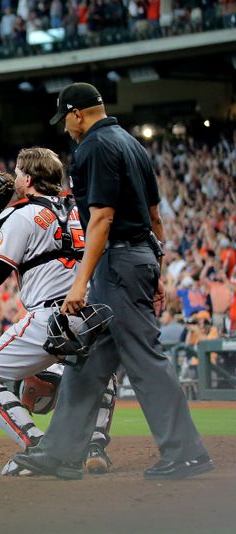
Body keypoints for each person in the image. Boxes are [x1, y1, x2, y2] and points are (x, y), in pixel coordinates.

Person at [15, 82, 211, 480]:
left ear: (76, 113)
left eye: (65, 119)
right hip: (135, 257)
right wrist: (155, 265)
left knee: (144, 358)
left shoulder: (95, 147)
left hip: (117, 262)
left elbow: (102, 217)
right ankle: (60, 452)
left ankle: (186, 451)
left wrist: (79, 283)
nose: (66, 128)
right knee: (87, 360)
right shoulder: (132, 144)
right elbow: (155, 215)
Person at [0, 148, 117, 476]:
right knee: (102, 373)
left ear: (28, 179)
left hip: (51, 317)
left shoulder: (21, 215)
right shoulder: (80, 208)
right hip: (96, 311)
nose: (14, 179)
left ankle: (40, 446)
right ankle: (94, 446)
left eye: (18, 173)